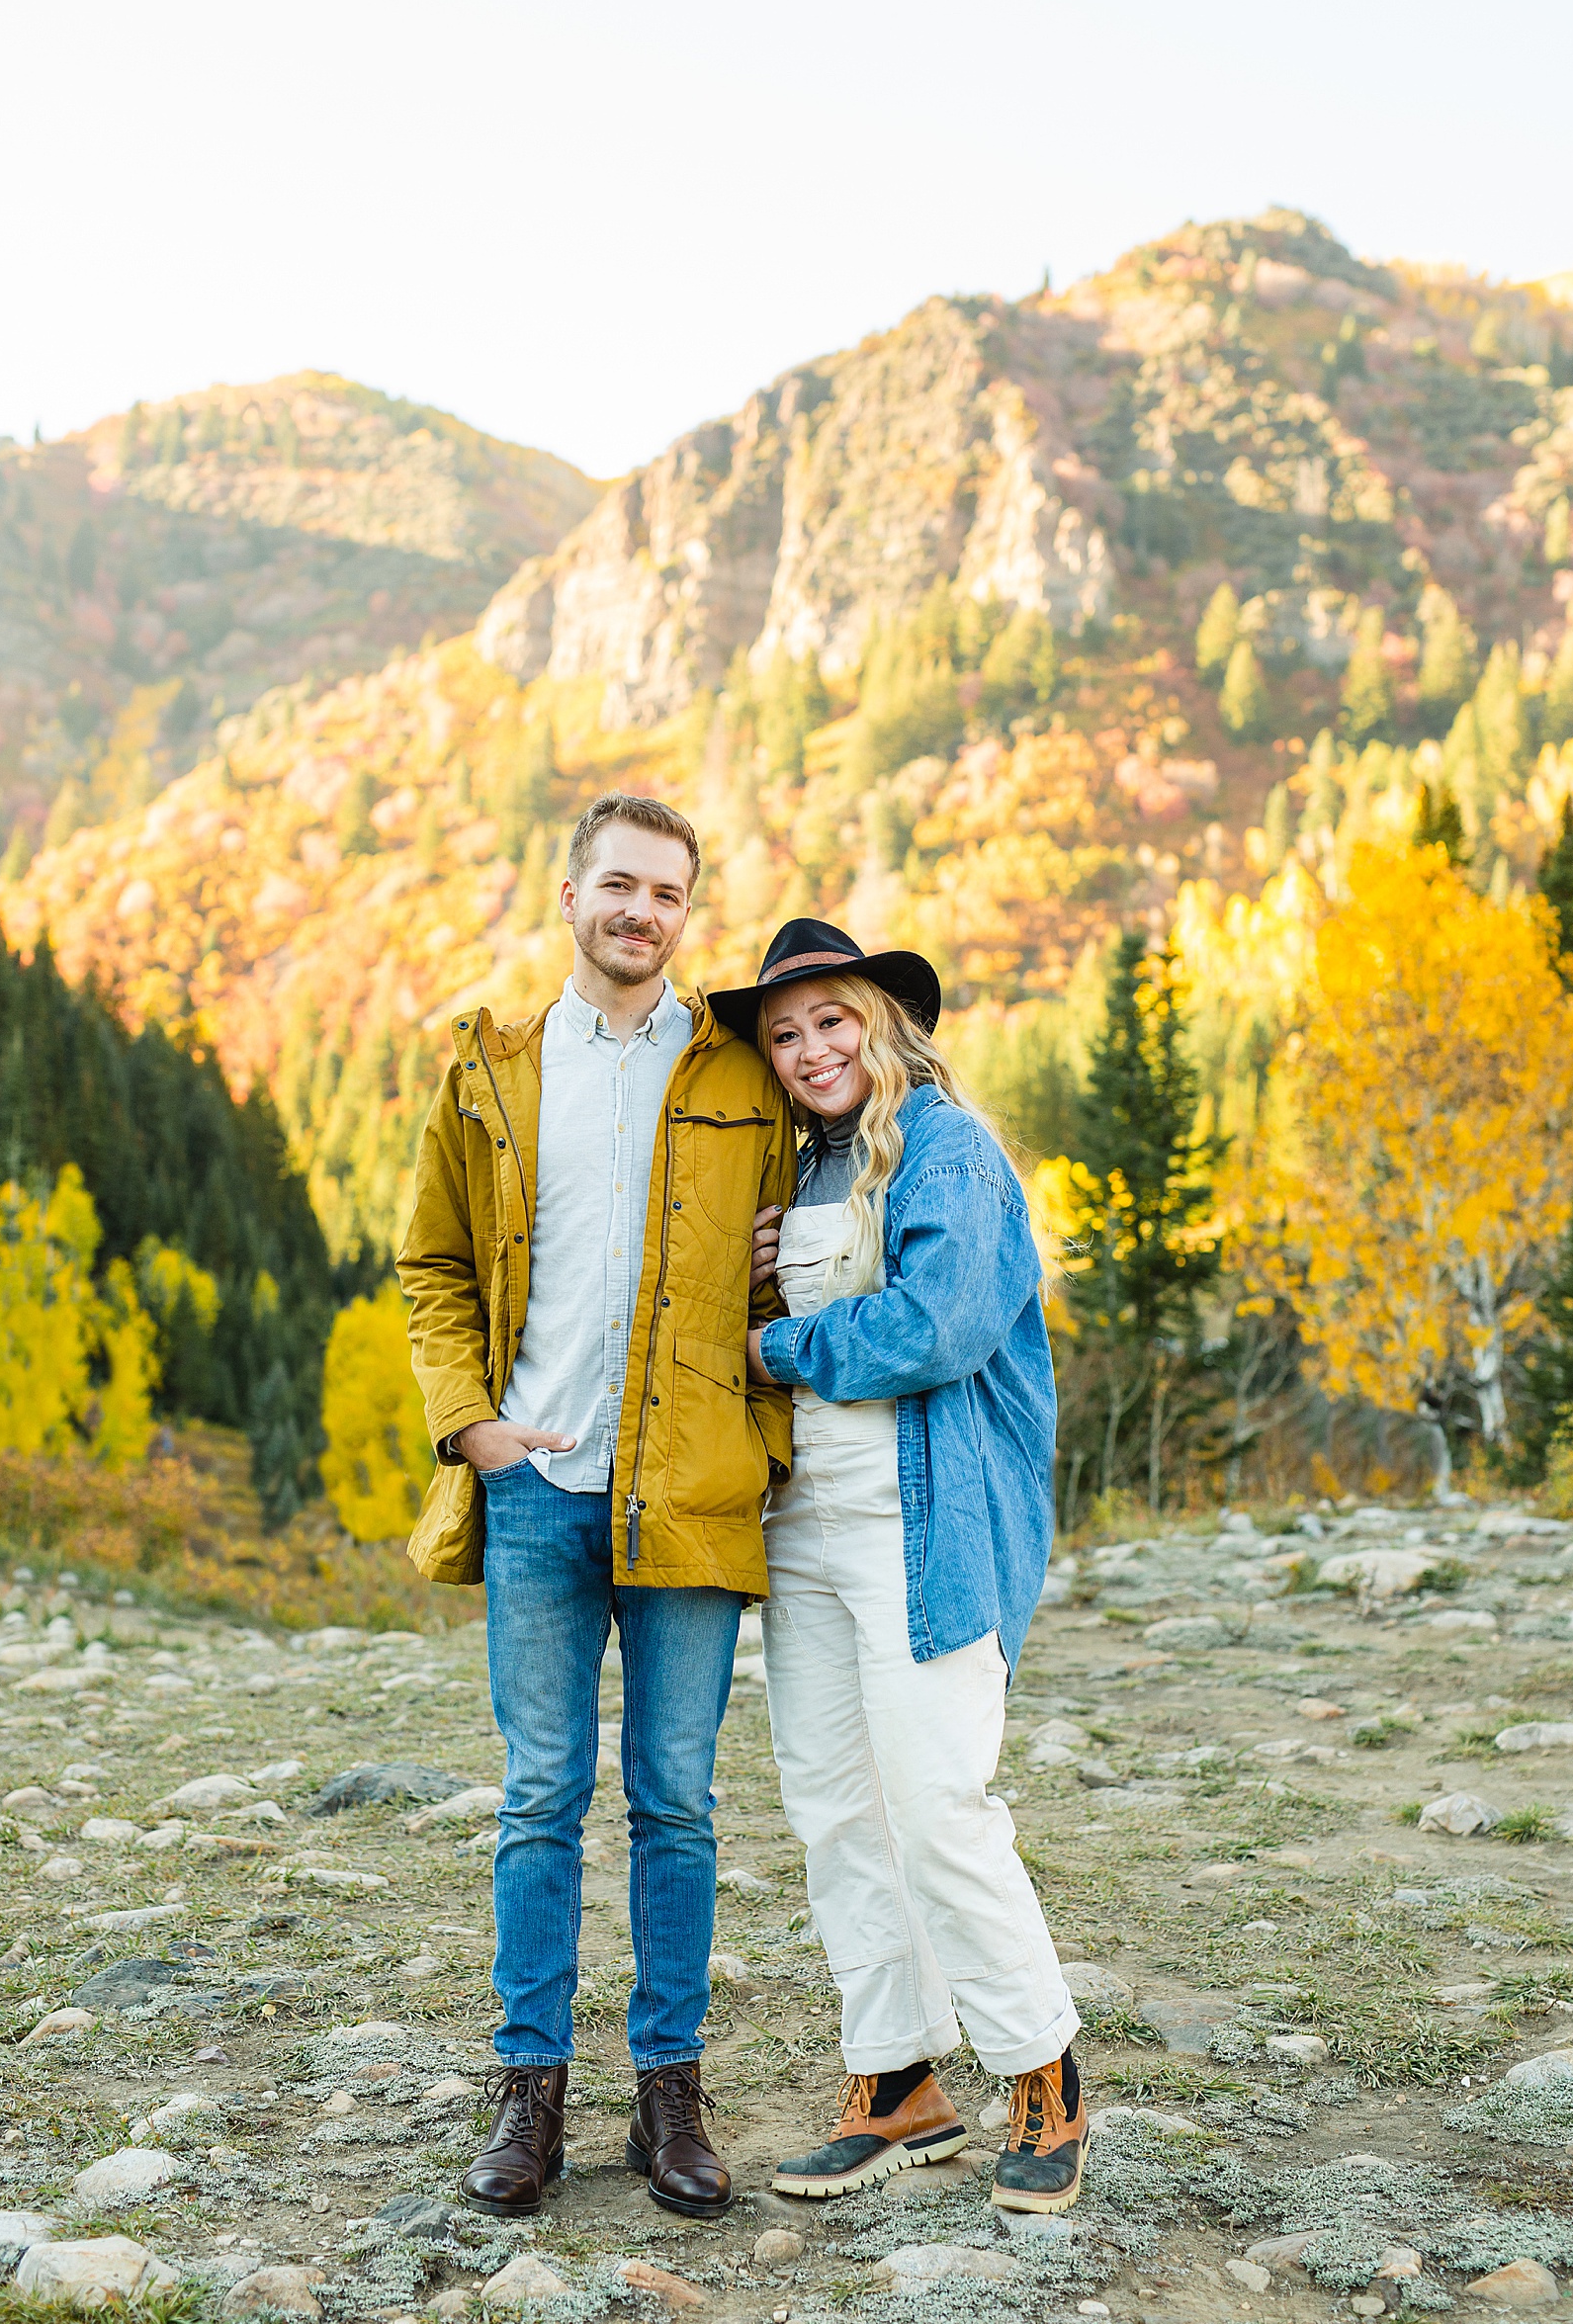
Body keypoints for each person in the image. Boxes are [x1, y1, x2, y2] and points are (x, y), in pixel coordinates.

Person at [397, 794, 796, 2221]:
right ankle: (530, 2094)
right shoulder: (491, 1076)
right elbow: (431, 1267)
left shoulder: (743, 1076)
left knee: (676, 1802)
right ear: (569, 895)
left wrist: (780, 1275)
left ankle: (671, 2097)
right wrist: (475, 1428)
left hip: (689, 1494)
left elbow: (805, 1256)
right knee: (538, 1799)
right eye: (618, 886)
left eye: (668, 894)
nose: (641, 912)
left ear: (690, 916)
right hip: (540, 1493)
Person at [708, 918, 1084, 2217]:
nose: (812, 1048)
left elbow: (940, 1326)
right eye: (787, 1033)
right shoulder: (810, 1175)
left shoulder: (946, 1148)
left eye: (832, 1019)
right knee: (832, 1806)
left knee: (939, 1805)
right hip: (805, 1533)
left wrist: (780, 1348)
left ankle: (1041, 2069)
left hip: (928, 1532)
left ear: (885, 1022)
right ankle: (895, 2080)